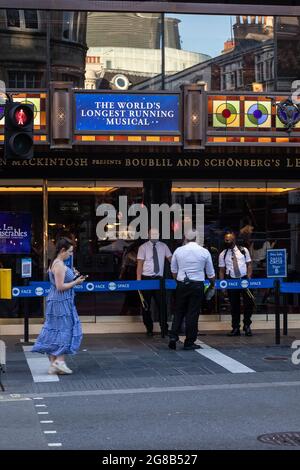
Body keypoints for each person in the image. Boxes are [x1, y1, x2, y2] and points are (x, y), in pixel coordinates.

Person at [32, 237, 85, 375]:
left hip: (56, 300)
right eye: (70, 251)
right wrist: (76, 282)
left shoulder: (55, 263)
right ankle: (59, 361)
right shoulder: (59, 265)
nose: (71, 254)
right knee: (65, 328)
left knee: (54, 329)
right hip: (61, 300)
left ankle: (54, 363)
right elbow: (61, 286)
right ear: (62, 250)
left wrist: (73, 276)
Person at [168, 230, 215, 350]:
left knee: (179, 311)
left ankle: (173, 336)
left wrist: (178, 281)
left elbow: (173, 270)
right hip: (197, 285)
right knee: (192, 314)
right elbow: (210, 273)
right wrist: (212, 284)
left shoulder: (178, 251)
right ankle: (189, 341)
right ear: (196, 238)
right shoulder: (204, 252)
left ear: (185, 238)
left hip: (182, 283)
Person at [137, 228, 172, 336]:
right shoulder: (143, 247)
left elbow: (172, 260)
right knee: (146, 305)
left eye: (156, 233)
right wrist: (138, 281)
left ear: (159, 234)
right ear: (148, 235)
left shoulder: (164, 246)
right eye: (152, 234)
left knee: (162, 305)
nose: (154, 235)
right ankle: (149, 329)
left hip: (159, 280)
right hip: (146, 279)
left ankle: (164, 328)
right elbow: (140, 264)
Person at [219, 231, 254, 337]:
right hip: (231, 280)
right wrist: (222, 285)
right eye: (225, 240)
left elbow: (249, 264)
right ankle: (235, 328)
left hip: (244, 280)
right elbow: (221, 270)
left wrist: (249, 277)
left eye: (228, 240)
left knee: (249, 303)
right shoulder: (223, 254)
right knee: (234, 306)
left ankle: (247, 325)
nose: (226, 241)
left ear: (233, 240)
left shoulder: (243, 250)